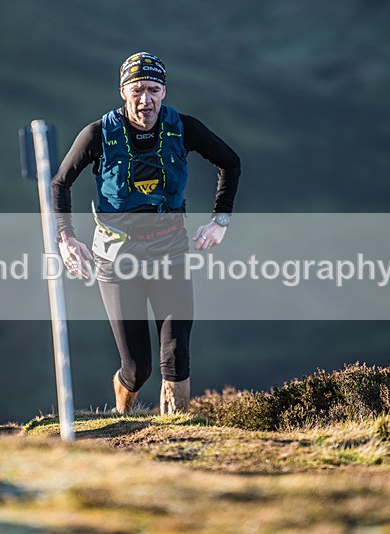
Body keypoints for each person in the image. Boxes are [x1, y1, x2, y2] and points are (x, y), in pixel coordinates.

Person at [51, 52, 240, 414]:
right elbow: (60, 183)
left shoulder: (182, 127)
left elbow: (230, 162)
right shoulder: (97, 134)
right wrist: (66, 239)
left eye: (153, 89)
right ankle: (124, 417)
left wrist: (220, 220)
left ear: (164, 92)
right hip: (117, 259)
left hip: (170, 250)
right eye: (137, 90)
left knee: (176, 354)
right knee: (138, 369)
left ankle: (177, 433)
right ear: (123, 91)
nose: (145, 99)